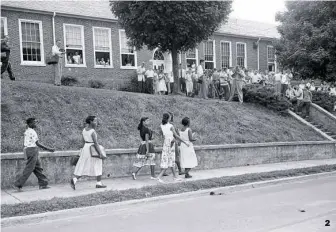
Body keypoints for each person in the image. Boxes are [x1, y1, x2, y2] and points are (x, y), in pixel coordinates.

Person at [14, 118, 55, 191]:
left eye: (35, 122)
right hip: (32, 151)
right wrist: (49, 149)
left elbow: (25, 143)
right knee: (29, 169)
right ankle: (18, 185)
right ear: (29, 124)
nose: (35, 124)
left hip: (31, 150)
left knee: (38, 168)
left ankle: (43, 184)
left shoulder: (27, 131)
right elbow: (37, 143)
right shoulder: (32, 132)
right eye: (34, 123)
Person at [70, 116, 106, 190]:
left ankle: (74, 179)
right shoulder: (93, 131)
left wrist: (81, 151)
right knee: (98, 163)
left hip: (85, 148)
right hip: (92, 148)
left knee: (83, 165)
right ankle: (98, 183)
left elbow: (82, 141)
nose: (96, 123)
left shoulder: (84, 130)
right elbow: (96, 143)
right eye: (95, 121)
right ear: (90, 122)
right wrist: (100, 153)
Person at [156, 113, 189, 183]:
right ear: (168, 118)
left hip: (166, 144)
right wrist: (185, 142)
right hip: (171, 144)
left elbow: (162, 135)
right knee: (169, 161)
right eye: (170, 118)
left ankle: (175, 177)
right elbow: (176, 136)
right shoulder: (171, 126)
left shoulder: (161, 125)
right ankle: (159, 177)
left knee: (171, 161)